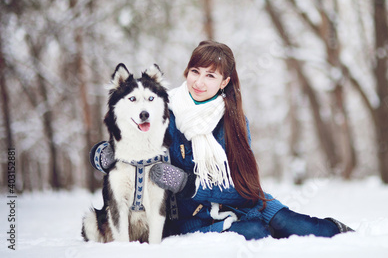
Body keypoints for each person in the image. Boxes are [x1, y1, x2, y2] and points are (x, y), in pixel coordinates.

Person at [90, 40, 354, 240]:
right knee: (255, 232)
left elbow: (244, 185)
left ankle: (344, 232)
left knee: (299, 226)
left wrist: (187, 183)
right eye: (196, 71)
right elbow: (130, 139)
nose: (199, 82)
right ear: (187, 71)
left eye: (210, 75)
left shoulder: (233, 120)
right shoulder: (162, 110)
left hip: (246, 201)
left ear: (224, 82)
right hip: (194, 216)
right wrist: (104, 154)